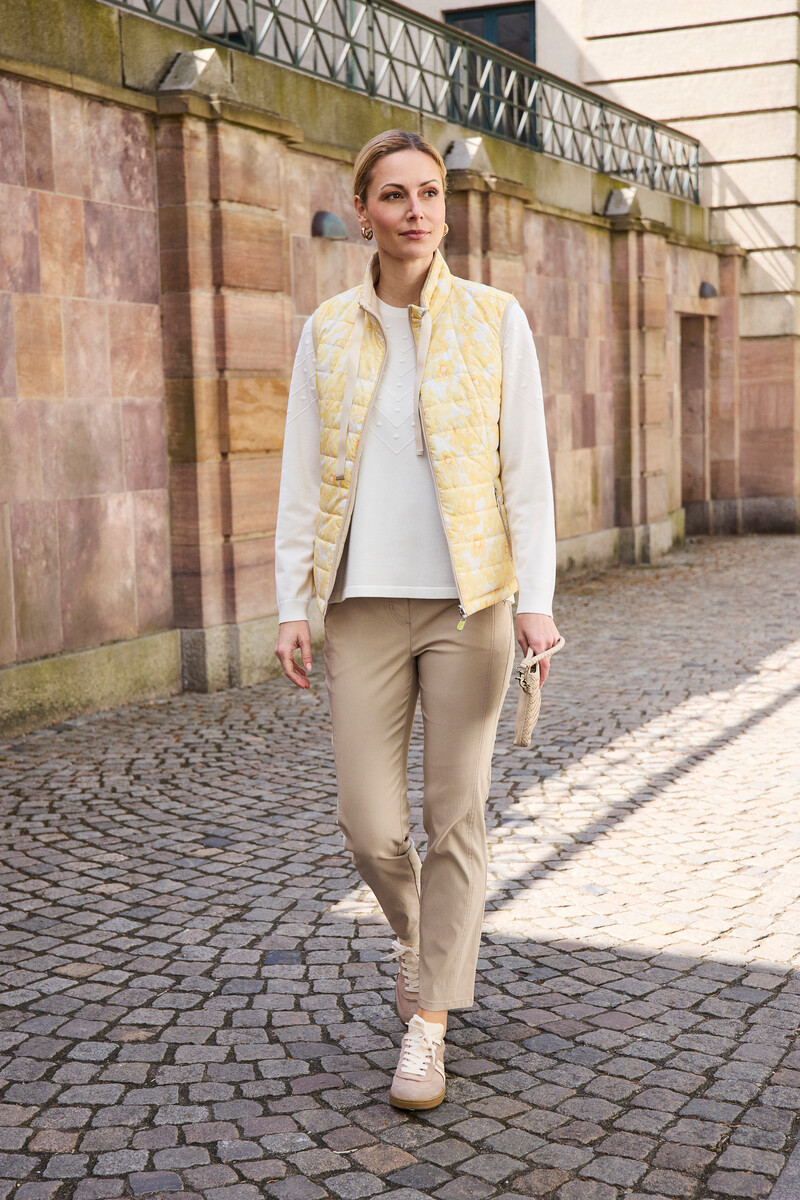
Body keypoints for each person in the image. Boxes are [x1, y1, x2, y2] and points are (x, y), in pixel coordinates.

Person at [274, 129, 560, 1111]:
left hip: (468, 604)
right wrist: (291, 604)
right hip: (358, 605)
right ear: (362, 211)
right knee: (368, 823)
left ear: (445, 206)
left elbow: (525, 470)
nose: (415, 211)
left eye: (429, 193)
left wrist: (535, 601)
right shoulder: (326, 331)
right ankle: (419, 935)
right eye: (393, 195)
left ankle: (427, 1025)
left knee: (455, 815)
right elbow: (300, 479)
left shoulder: (494, 318)